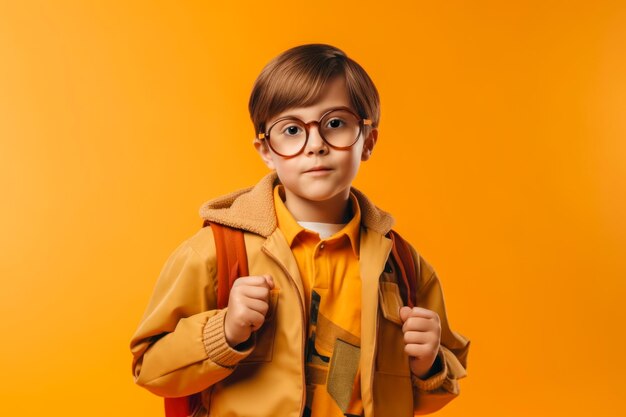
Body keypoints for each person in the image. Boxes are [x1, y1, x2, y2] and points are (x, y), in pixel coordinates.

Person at [130, 43, 469, 417]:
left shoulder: (403, 266)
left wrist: (430, 366)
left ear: (368, 141)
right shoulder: (215, 252)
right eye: (291, 129)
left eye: (336, 124)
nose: (316, 145)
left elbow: (426, 391)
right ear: (266, 150)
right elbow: (151, 369)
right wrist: (223, 332)